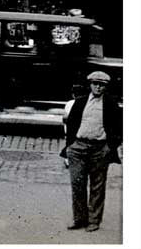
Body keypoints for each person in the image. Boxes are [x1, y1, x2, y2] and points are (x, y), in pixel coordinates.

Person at [64, 71, 122, 232]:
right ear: (90, 85)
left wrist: (110, 147)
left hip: (99, 149)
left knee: (97, 186)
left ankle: (94, 220)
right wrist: (70, 145)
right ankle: (79, 219)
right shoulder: (80, 102)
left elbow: (119, 129)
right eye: (95, 84)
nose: (98, 87)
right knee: (77, 184)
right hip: (78, 148)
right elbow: (70, 124)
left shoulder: (111, 105)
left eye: (102, 85)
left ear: (106, 87)